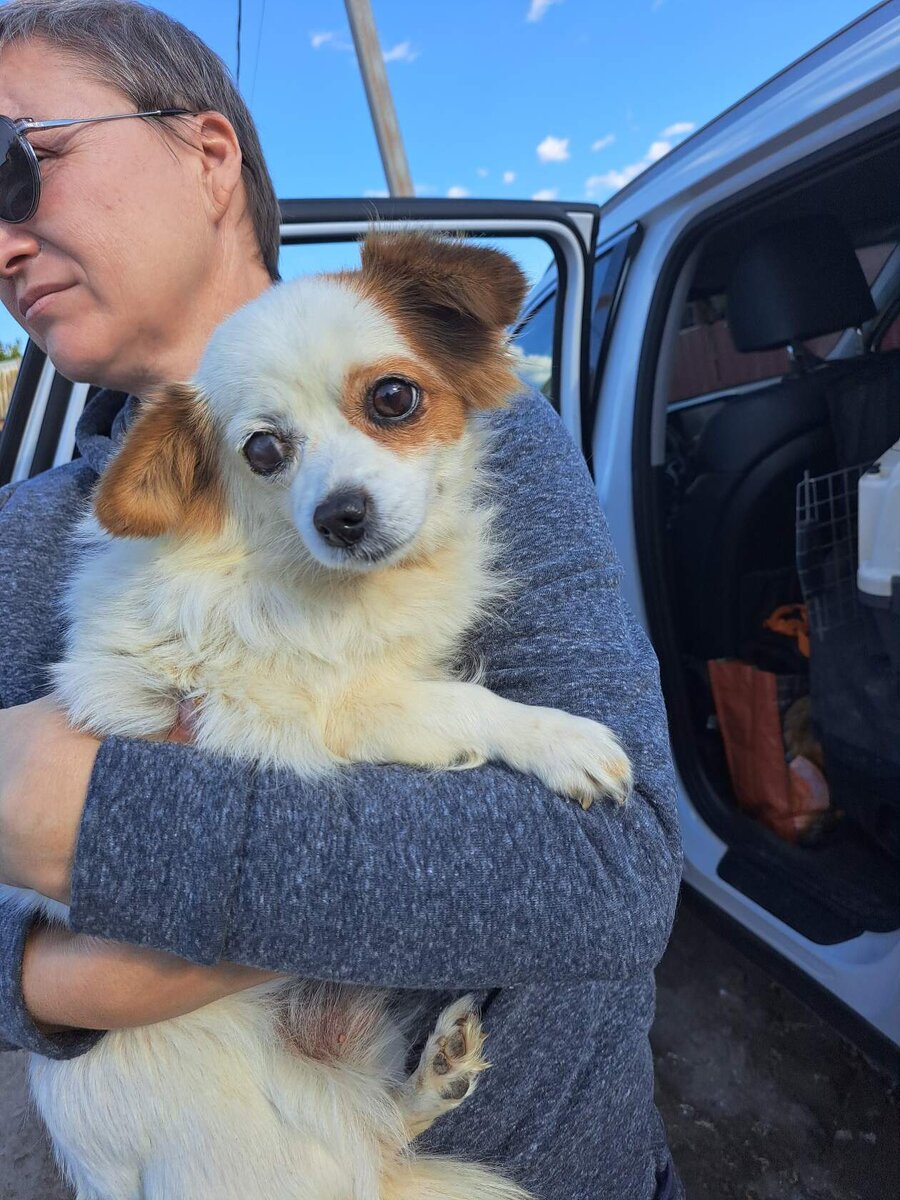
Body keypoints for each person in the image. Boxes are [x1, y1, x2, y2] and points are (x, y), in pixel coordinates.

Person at [0, 2, 684, 1197]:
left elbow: (616, 870)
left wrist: (89, 836)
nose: (1, 245)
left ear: (208, 155)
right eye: (267, 454)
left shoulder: (472, 439)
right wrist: (41, 975)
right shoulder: (35, 538)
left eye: (17, 165)